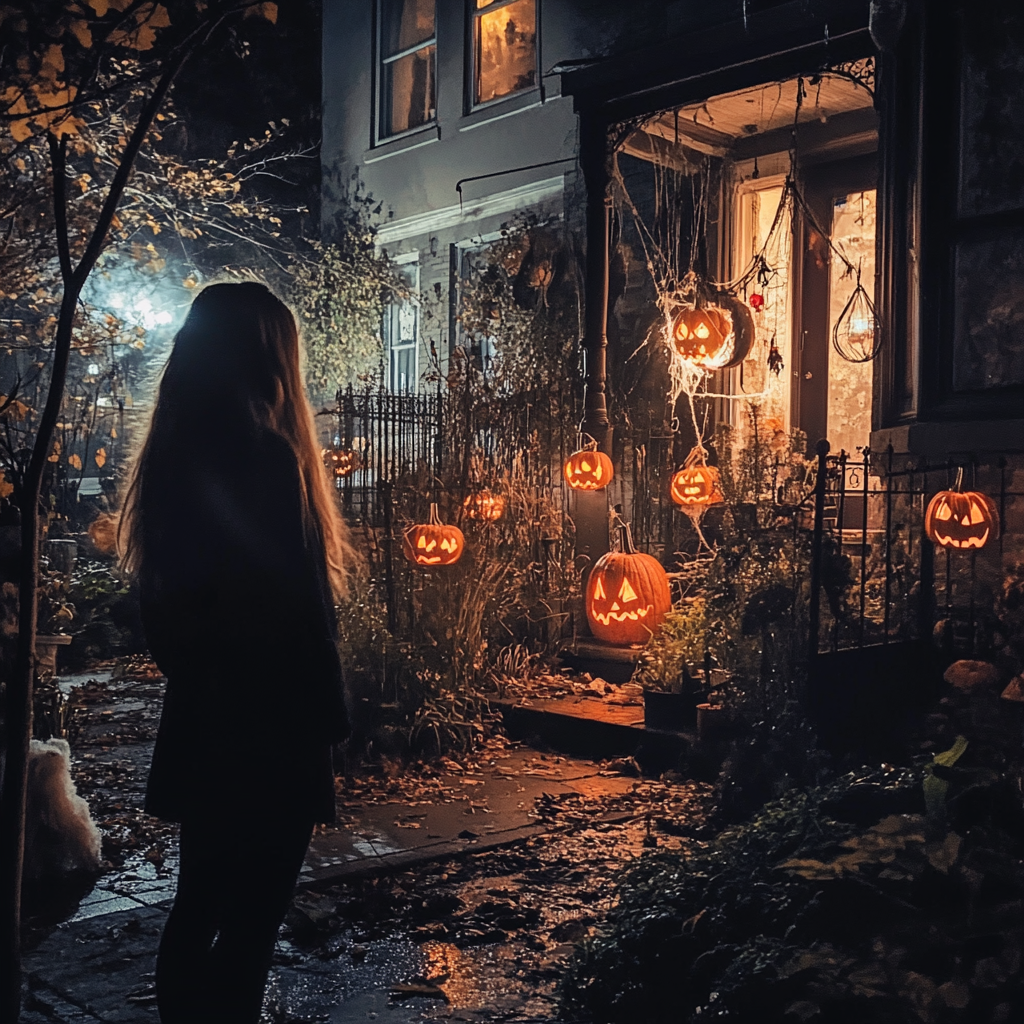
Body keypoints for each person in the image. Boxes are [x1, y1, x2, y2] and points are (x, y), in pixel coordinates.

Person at [119, 282, 353, 1024]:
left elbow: (167, 609)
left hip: (208, 719)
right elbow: (296, 609)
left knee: (200, 903)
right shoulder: (268, 457)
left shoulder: (174, 457)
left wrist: (201, 680)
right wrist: (326, 719)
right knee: (253, 920)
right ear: (268, 358)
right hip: (274, 724)